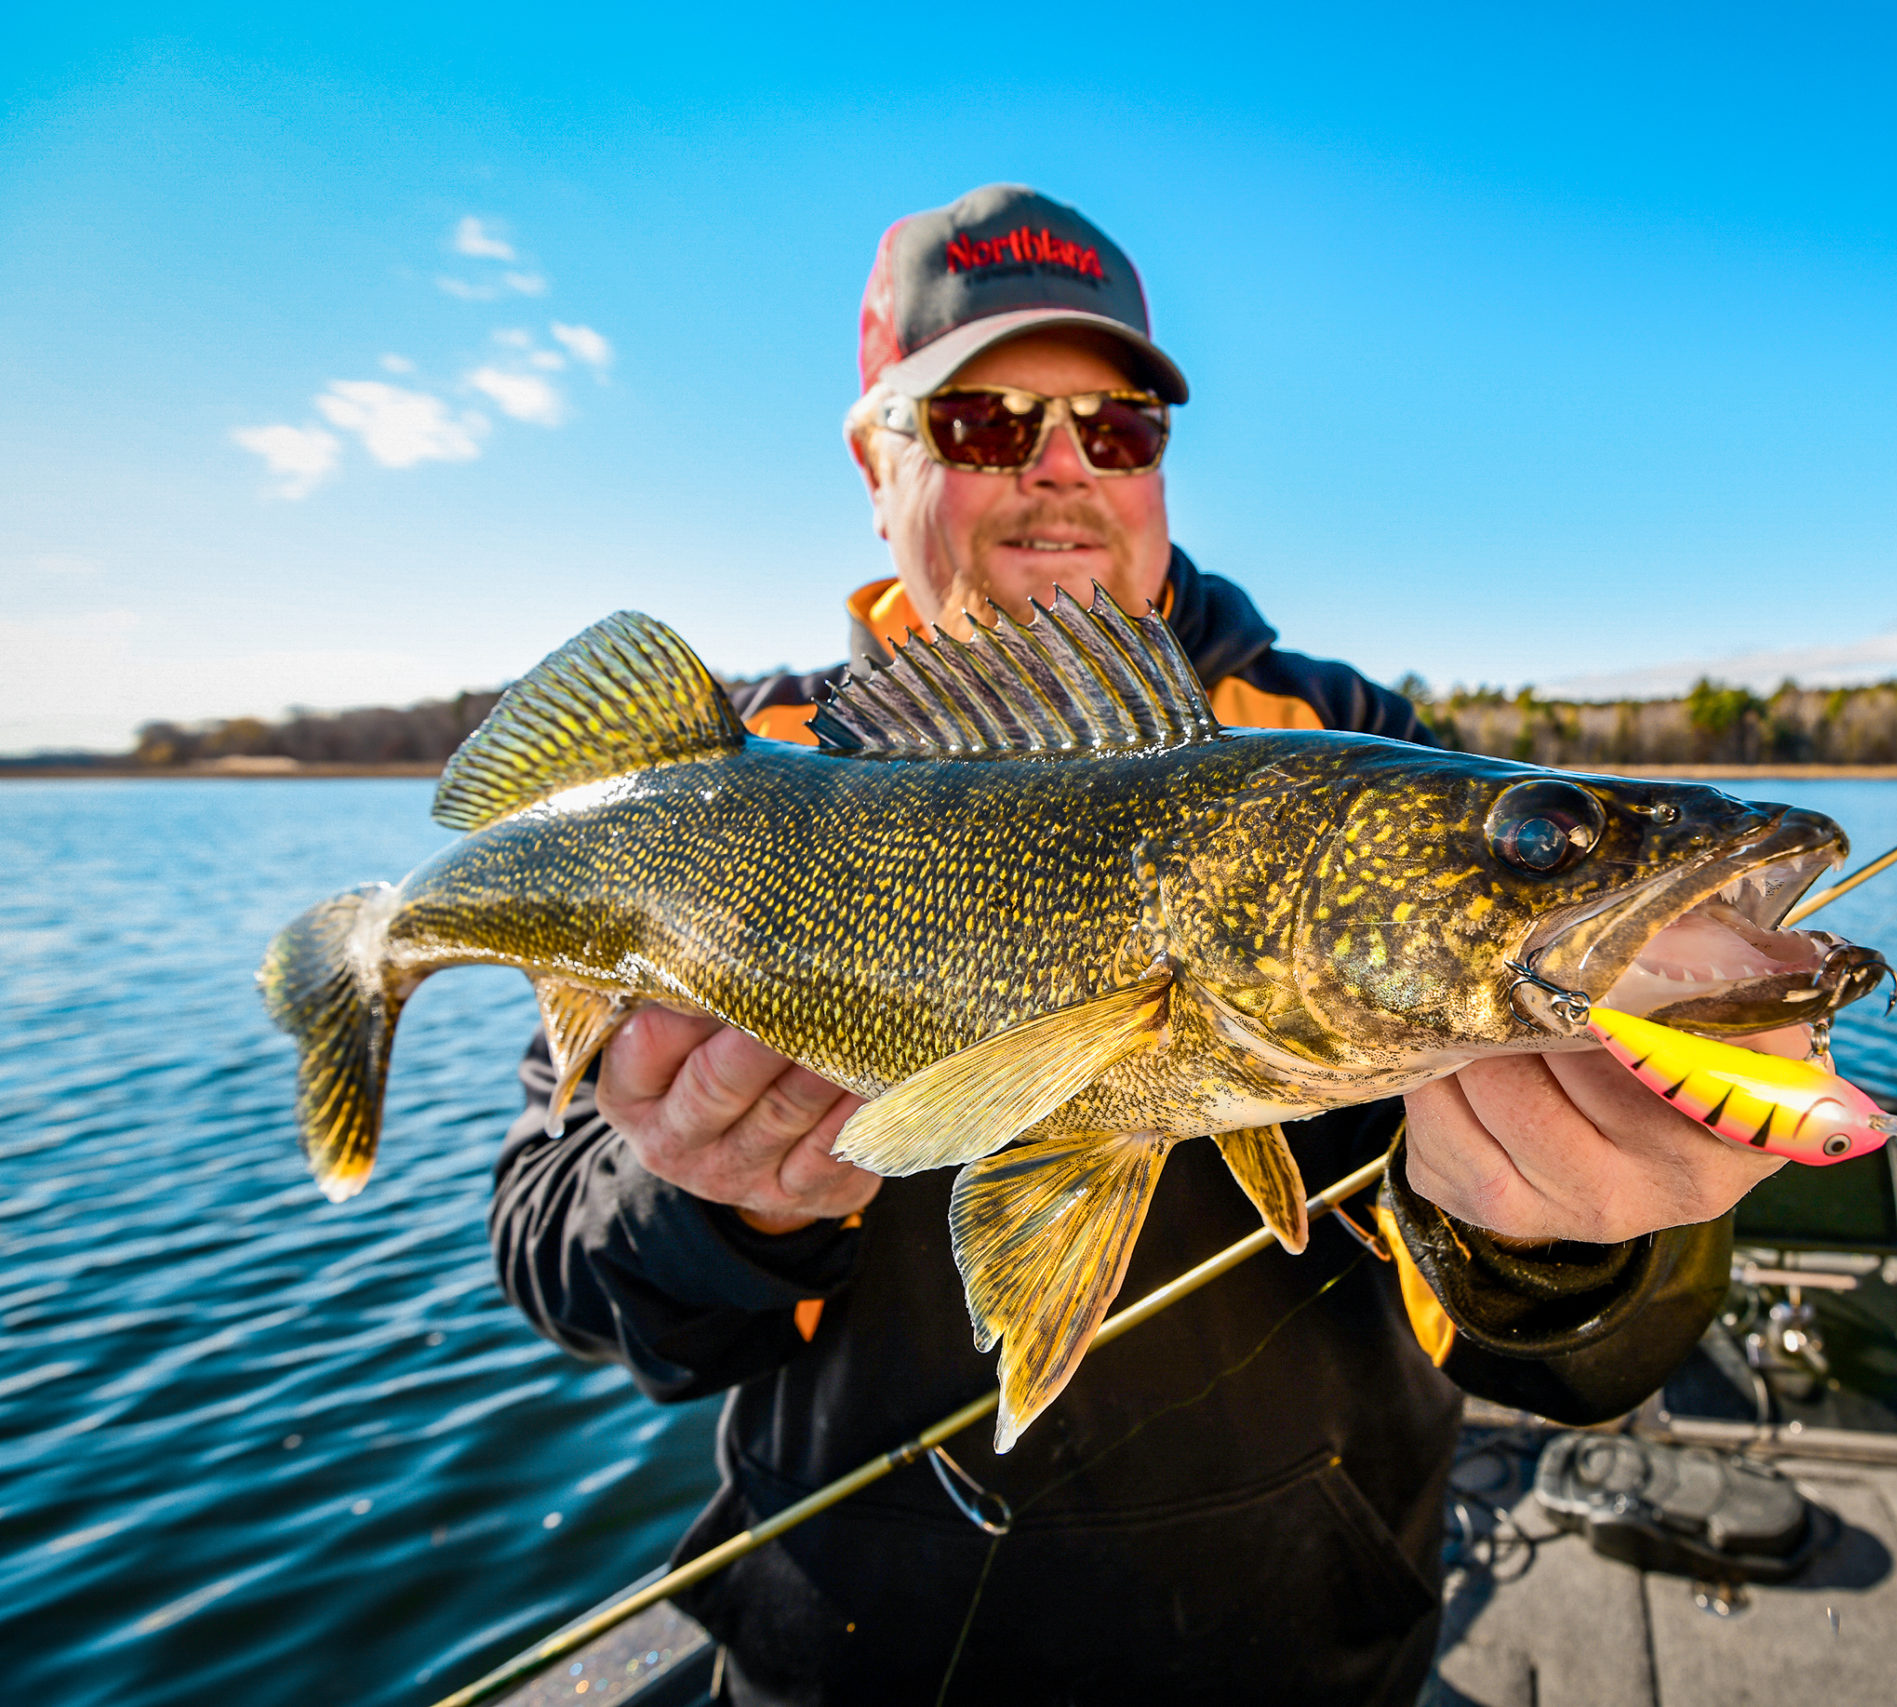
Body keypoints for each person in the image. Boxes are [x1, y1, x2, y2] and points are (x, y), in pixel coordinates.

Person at [491, 184, 1794, 1706]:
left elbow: (1566, 1364)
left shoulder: (1355, 751)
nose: (1061, 473)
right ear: (875, 456)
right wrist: (711, 1204)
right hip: (840, 1663)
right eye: (983, 423)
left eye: (1120, 429)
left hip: (1303, 1662)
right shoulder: (726, 778)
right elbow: (555, 1255)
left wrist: (1586, 1244)